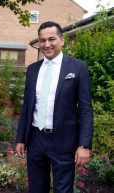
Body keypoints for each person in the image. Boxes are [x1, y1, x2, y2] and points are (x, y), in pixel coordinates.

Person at [15, 21, 93, 193]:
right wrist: (21, 138)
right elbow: (27, 106)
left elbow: (86, 109)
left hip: (64, 140)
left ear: (62, 40)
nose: (47, 44)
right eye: (42, 40)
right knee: (36, 188)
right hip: (35, 139)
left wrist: (84, 145)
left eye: (51, 39)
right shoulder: (33, 69)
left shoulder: (77, 67)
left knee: (63, 190)